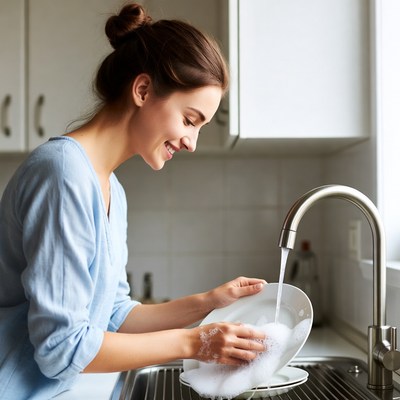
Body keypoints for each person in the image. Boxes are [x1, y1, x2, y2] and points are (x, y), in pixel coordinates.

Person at [0, 3, 267, 399]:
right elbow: (61, 349)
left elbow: (114, 315)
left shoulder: (111, 189)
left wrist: (208, 302)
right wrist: (196, 343)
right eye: (190, 120)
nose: (191, 142)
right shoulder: (62, 174)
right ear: (142, 90)